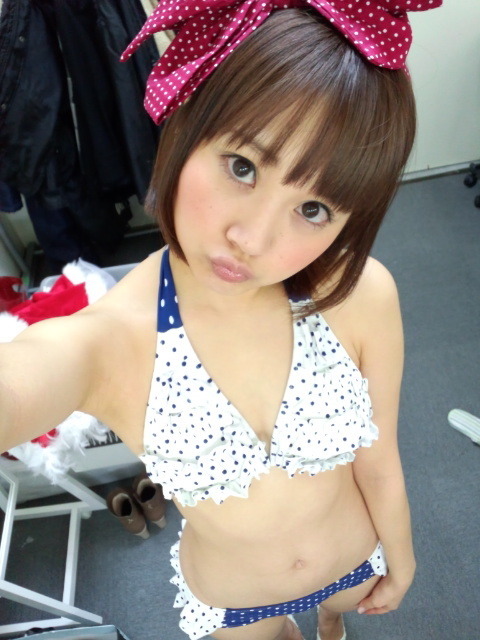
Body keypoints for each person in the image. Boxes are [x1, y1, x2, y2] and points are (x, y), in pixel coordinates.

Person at [0, 1, 442, 639]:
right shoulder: (109, 341)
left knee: (337, 620)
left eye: (313, 209)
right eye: (243, 167)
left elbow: (379, 459)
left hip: (355, 564)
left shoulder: (360, 293)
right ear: (188, 120)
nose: (252, 239)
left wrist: (402, 559)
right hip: (237, 606)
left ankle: (330, 622)